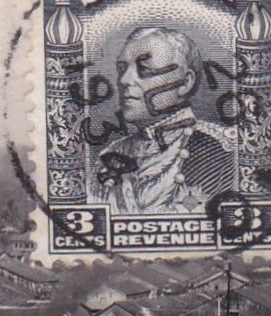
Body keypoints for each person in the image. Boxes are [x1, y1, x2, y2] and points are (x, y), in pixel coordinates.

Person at [96, 26, 233, 217]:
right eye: (122, 68)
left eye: (144, 69)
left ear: (185, 83)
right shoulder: (109, 157)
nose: (124, 80)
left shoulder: (222, 151)